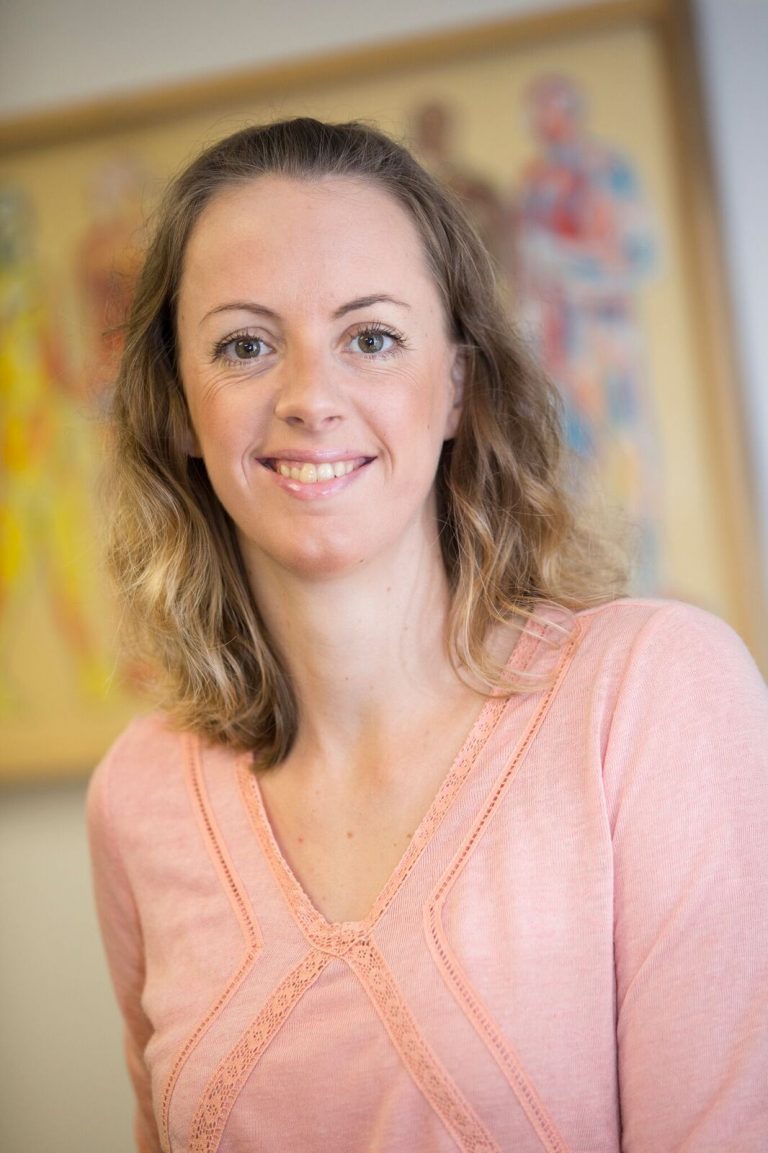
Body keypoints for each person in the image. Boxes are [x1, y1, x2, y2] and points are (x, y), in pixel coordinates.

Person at [87, 118, 768, 1153]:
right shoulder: (139, 794)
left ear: (457, 384)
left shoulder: (653, 696)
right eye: (245, 345)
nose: (310, 399)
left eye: (370, 338)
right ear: (179, 408)